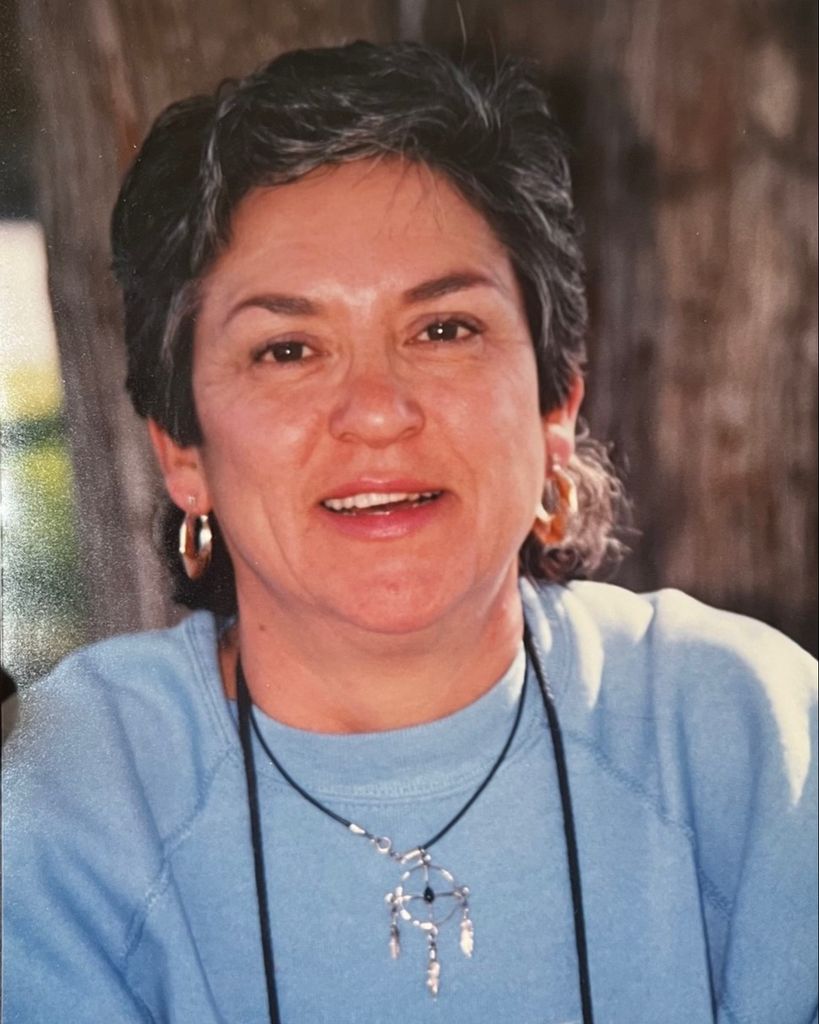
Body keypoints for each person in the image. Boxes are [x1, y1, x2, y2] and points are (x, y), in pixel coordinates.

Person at [3, 41, 816, 1024]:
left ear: (556, 403)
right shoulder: (67, 798)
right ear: (183, 450)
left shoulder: (752, 736)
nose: (379, 412)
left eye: (444, 329)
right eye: (288, 349)